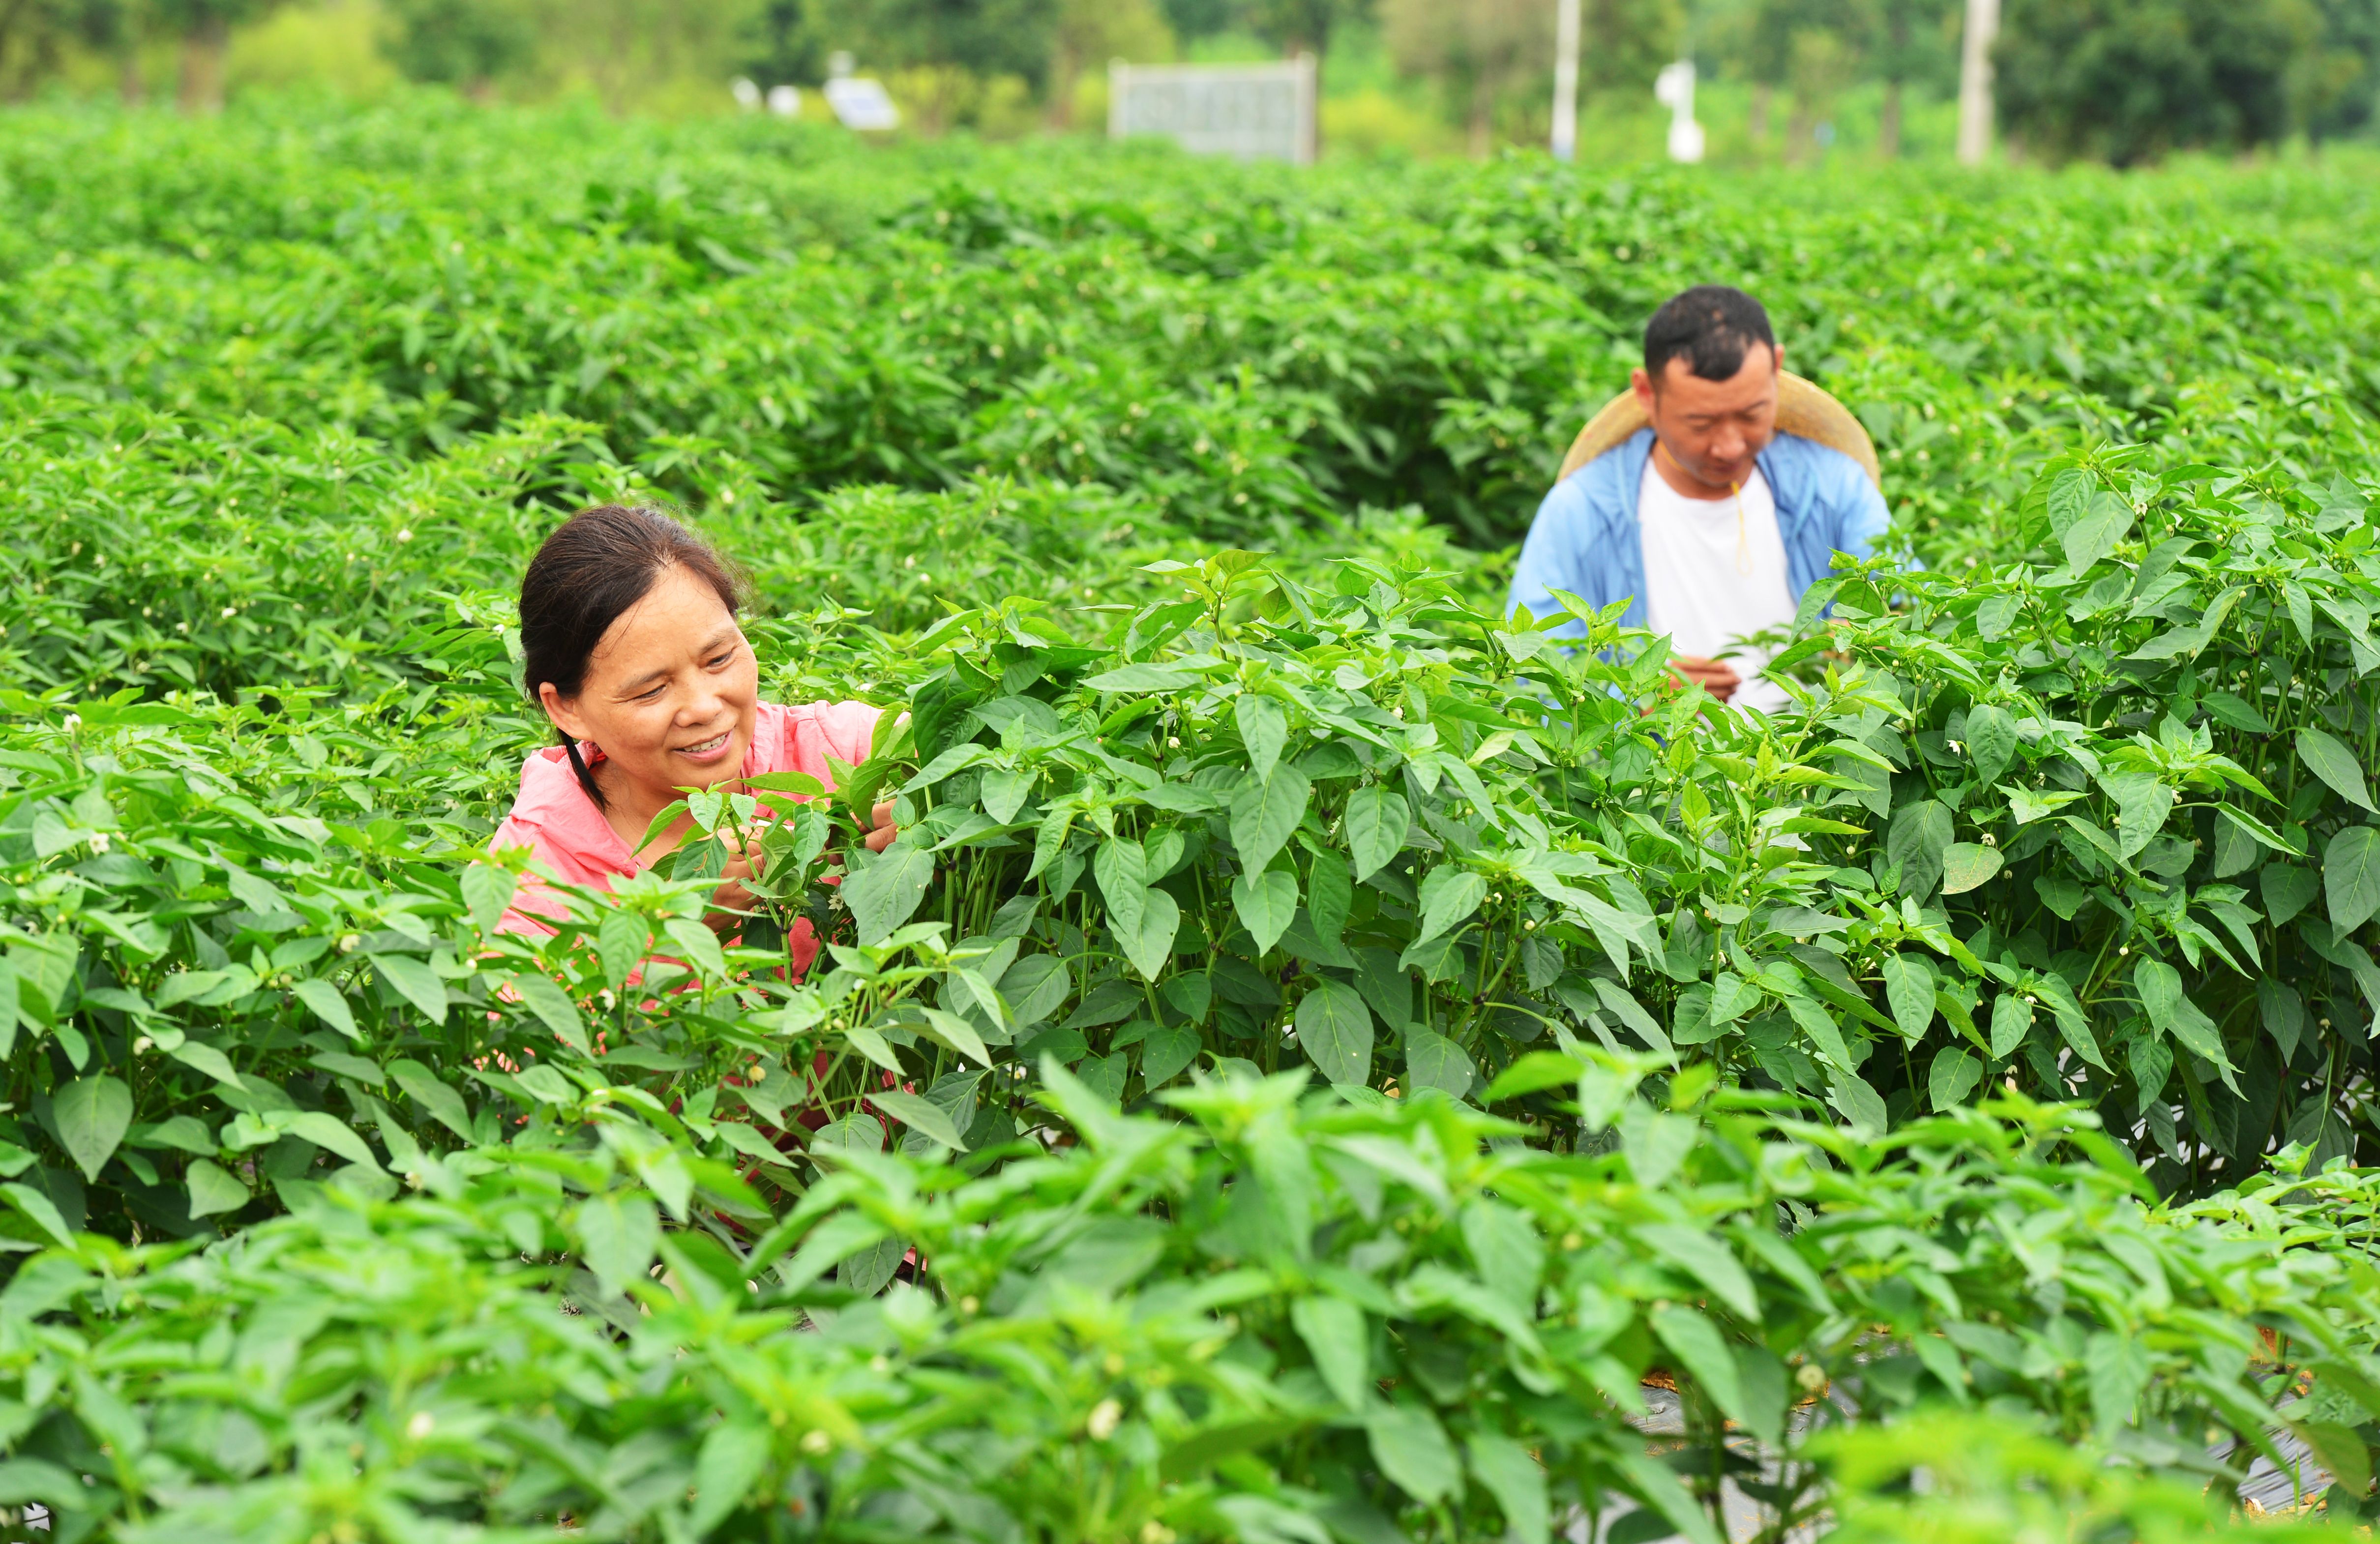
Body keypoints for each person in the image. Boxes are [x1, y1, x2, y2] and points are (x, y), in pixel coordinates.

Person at [490, 504, 897, 976]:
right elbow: (516, 1043)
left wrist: (891, 820)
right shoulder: (531, 878)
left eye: (720, 658)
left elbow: (980, 746)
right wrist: (671, 936)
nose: (705, 707)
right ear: (567, 708)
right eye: (651, 690)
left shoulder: (841, 751)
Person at [1506, 285, 1889, 713]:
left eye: (1751, 415)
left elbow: (1908, 607)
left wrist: (1865, 638)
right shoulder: (1581, 512)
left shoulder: (1833, 486)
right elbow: (1530, 674)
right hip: (1656, 779)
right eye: (1701, 422)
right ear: (1647, 395)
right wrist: (1634, 692)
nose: (1729, 446)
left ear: (1777, 370)